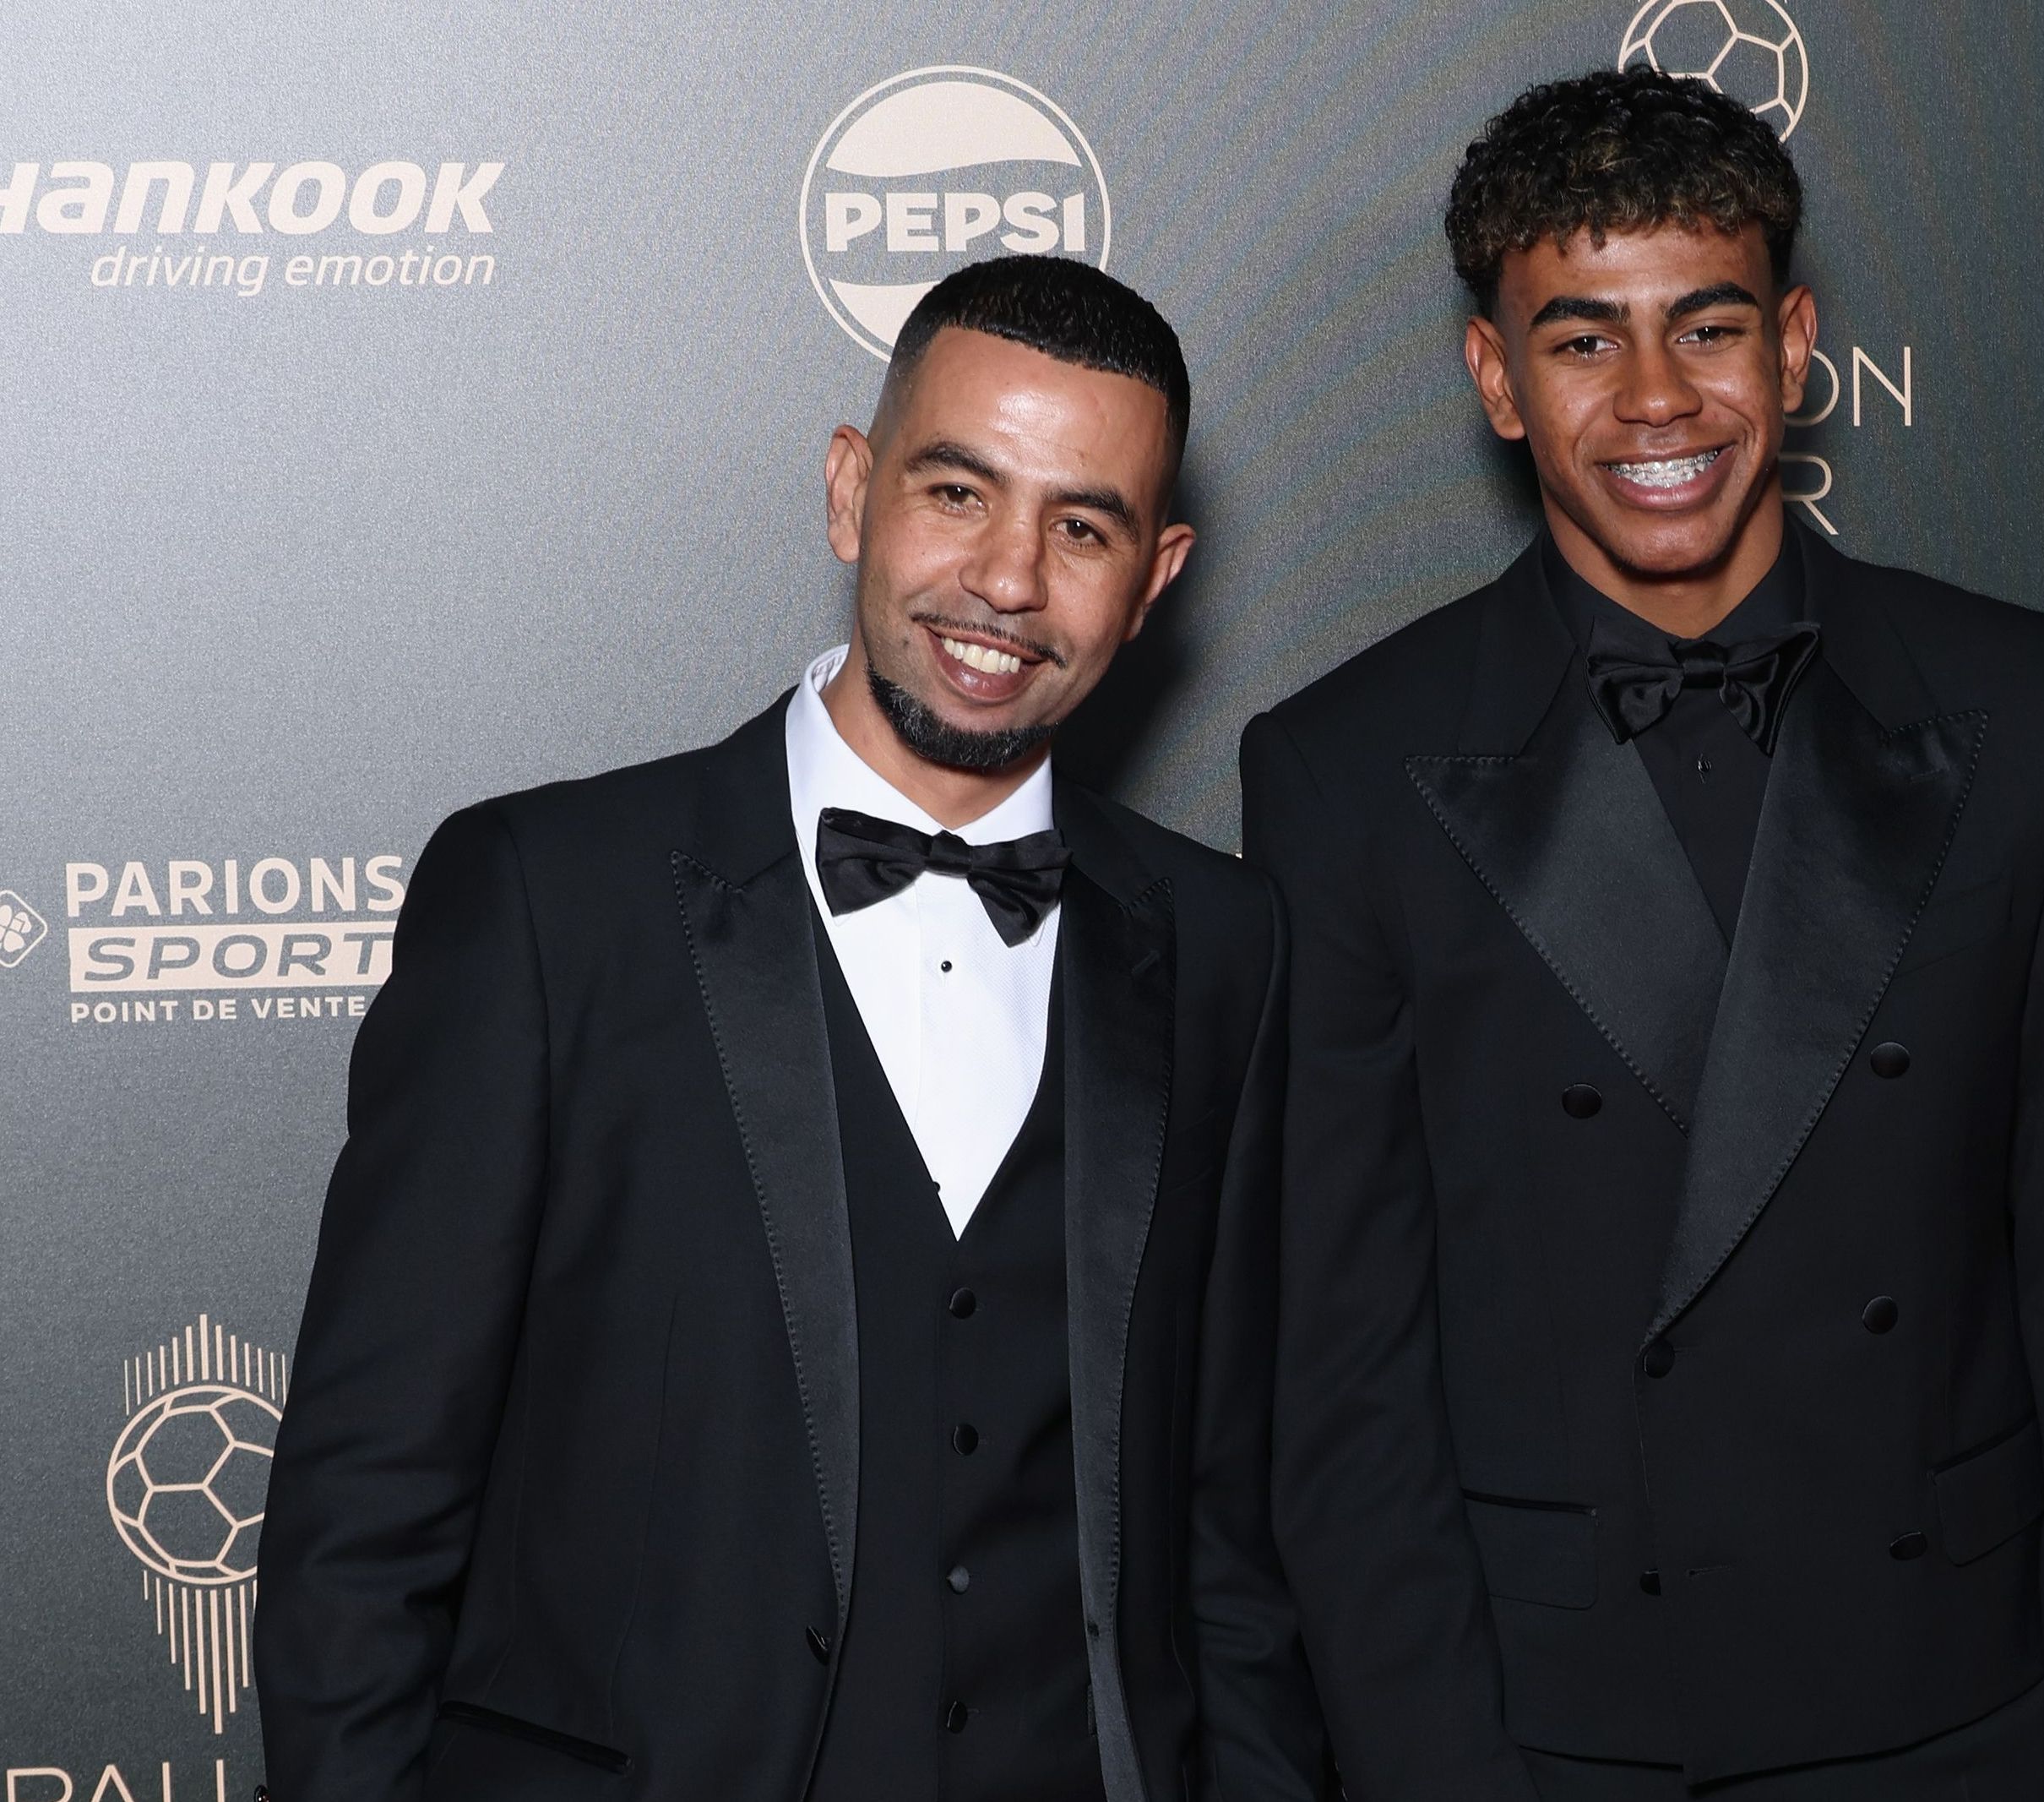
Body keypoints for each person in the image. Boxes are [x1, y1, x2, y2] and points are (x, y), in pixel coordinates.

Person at [1243, 69, 2044, 1802]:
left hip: (1965, 1711)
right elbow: (1344, 1381)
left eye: (1708, 326)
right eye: (1584, 339)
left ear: (1798, 341)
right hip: (1564, 1731)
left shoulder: (2032, 703)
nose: (1658, 398)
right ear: (1497, 381)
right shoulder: (1342, 769)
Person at [257, 257, 1324, 1802]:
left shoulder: (1226, 944)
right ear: (852, 489)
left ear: (1155, 577)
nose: (1009, 580)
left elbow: (1227, 1535)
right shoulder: (550, 901)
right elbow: (369, 1512)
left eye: (1080, 527)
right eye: (958, 493)